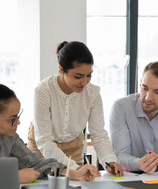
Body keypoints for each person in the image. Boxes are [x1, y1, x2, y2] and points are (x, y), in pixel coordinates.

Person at [0, 72, 100, 183]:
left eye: (18, 117)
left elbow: (35, 163)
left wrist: (73, 173)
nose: (18, 123)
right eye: (12, 119)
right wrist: (14, 176)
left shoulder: (8, 135)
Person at [27, 41, 123, 176]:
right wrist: (73, 169)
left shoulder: (93, 93)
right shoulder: (43, 91)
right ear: (61, 69)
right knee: (43, 187)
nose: (84, 82)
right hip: (42, 147)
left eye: (89, 75)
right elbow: (44, 140)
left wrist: (109, 161)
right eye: (78, 76)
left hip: (73, 146)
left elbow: (99, 134)